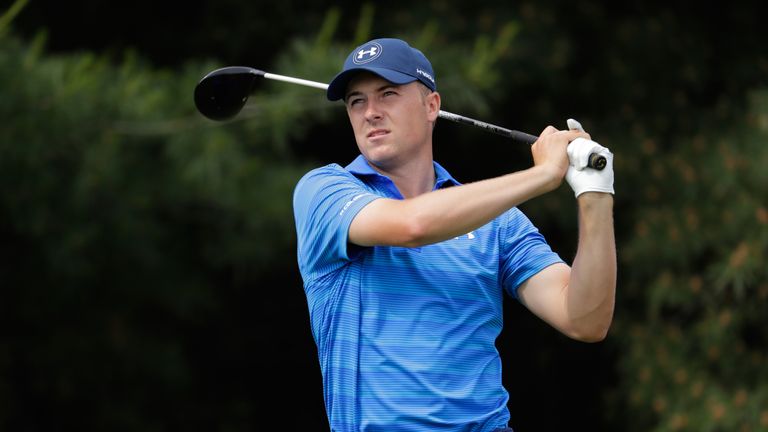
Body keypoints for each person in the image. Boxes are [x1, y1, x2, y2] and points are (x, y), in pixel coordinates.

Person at [292, 37, 616, 432]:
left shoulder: (497, 221)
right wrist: (542, 175)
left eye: (388, 94)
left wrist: (595, 194)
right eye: (356, 101)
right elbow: (413, 226)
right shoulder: (324, 191)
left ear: (432, 106)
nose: (370, 112)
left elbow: (584, 319)